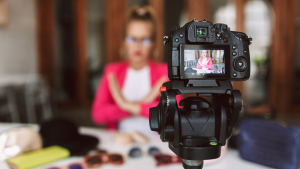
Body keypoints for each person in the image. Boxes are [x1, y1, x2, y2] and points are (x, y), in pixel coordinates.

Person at [92, 6, 168, 133]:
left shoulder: (164, 73)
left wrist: (125, 104)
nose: (137, 45)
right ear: (123, 41)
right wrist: (145, 101)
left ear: (153, 43)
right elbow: (98, 115)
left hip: (156, 144)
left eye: (145, 39)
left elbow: (173, 114)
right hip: (120, 142)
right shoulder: (112, 72)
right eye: (131, 38)